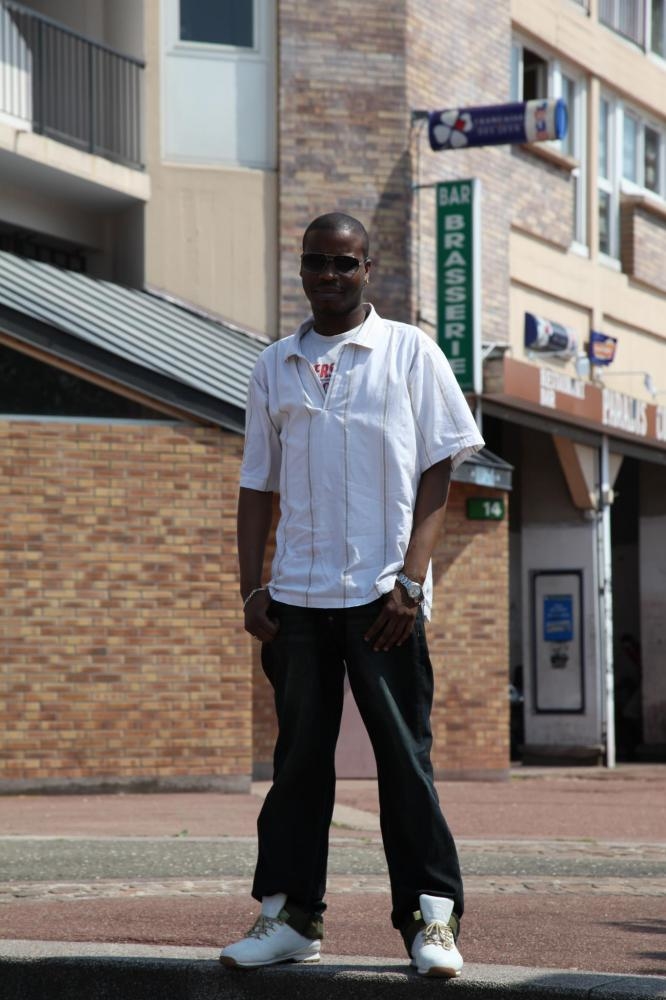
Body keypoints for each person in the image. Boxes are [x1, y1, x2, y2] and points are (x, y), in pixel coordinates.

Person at [220, 212, 484, 978]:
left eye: (344, 263)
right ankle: (289, 917)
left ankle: (431, 921)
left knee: (404, 761)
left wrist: (412, 581)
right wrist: (251, 586)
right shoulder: (274, 365)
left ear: (369, 269)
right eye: (316, 263)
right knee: (299, 763)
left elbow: (439, 468)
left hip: (383, 598)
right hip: (298, 598)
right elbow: (256, 485)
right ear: (301, 270)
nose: (329, 276)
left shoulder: (409, 352)